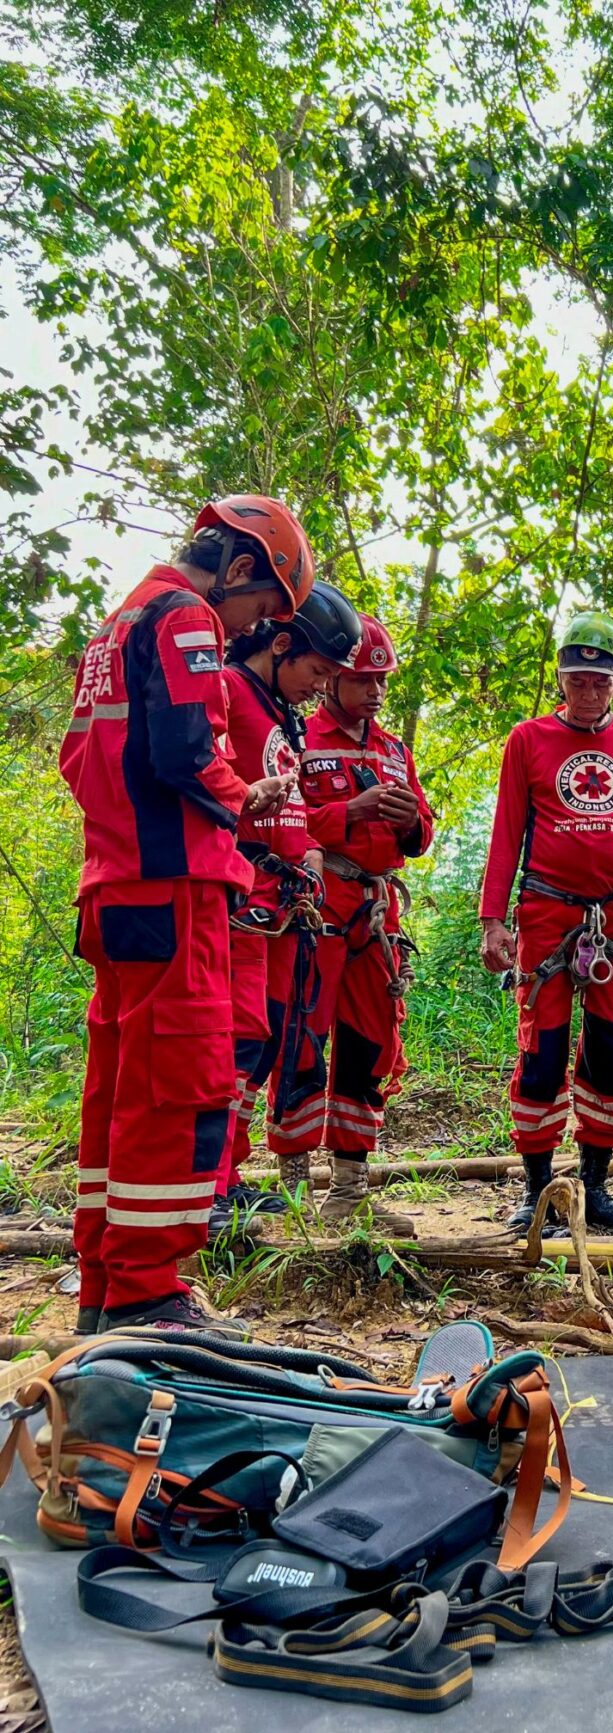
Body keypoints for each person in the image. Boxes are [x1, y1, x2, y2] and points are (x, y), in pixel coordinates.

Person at [60, 494, 314, 1334]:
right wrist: (246, 796)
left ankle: (104, 1279)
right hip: (175, 889)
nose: (251, 632)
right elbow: (186, 753)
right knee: (182, 1086)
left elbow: (83, 759)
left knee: (119, 1085)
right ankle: (147, 1291)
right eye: (261, 611)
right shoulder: (182, 617)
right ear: (239, 569)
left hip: (116, 885)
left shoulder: (114, 627)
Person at [479, 612, 613, 1235]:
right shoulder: (528, 740)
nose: (589, 688)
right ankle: (539, 1191)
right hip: (546, 915)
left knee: (608, 1053)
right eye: (578, 677)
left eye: (601, 679)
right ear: (561, 679)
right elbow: (507, 831)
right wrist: (493, 919)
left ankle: (593, 1186)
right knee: (540, 1053)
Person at [267, 613, 432, 1234]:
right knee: (301, 1037)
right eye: (364, 680)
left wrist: (412, 821)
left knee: (369, 1044)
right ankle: (290, 1187)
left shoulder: (394, 751)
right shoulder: (299, 738)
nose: (375, 693)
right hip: (317, 904)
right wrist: (346, 813)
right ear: (335, 679)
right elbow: (275, 820)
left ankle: (351, 1185)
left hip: (377, 914)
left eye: (382, 683)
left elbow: (420, 837)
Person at [213, 582, 364, 1239]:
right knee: (235, 1041)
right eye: (318, 671)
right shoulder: (225, 691)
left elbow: (290, 805)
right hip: (242, 900)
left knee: (267, 1039)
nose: (320, 686)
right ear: (280, 645)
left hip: (284, 906)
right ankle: (210, 1183)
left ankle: (231, 1174)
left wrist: (302, 860)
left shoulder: (278, 710)